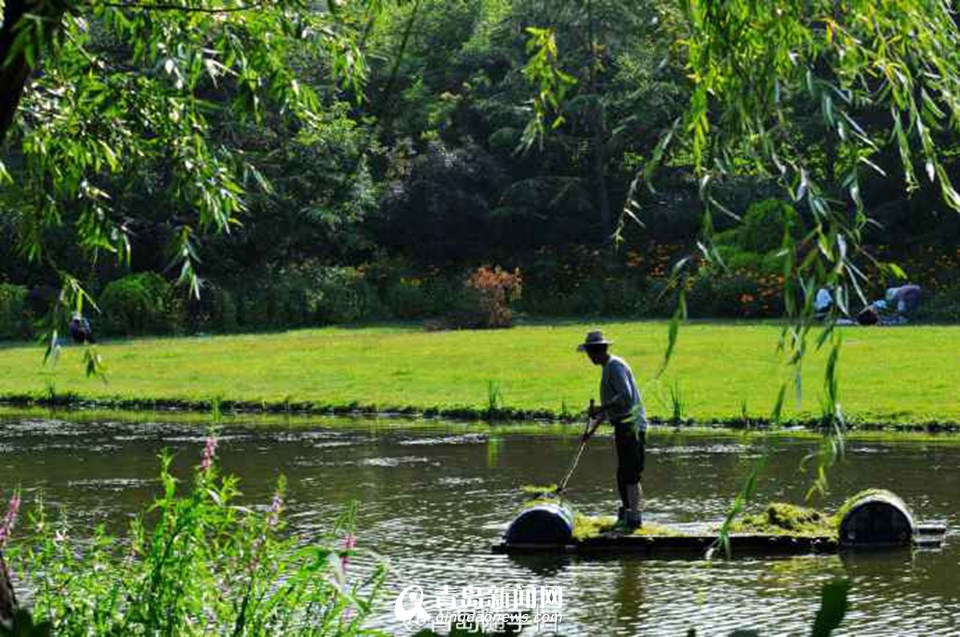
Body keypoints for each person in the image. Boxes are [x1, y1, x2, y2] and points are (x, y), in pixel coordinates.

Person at [577, 329, 647, 530]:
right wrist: (592, 430)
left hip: (631, 426)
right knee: (623, 473)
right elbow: (611, 407)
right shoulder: (608, 368)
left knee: (630, 472)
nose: (589, 357)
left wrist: (601, 408)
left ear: (596, 351)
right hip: (623, 426)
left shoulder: (615, 367)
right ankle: (628, 512)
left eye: (590, 352)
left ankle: (634, 518)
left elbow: (624, 396)